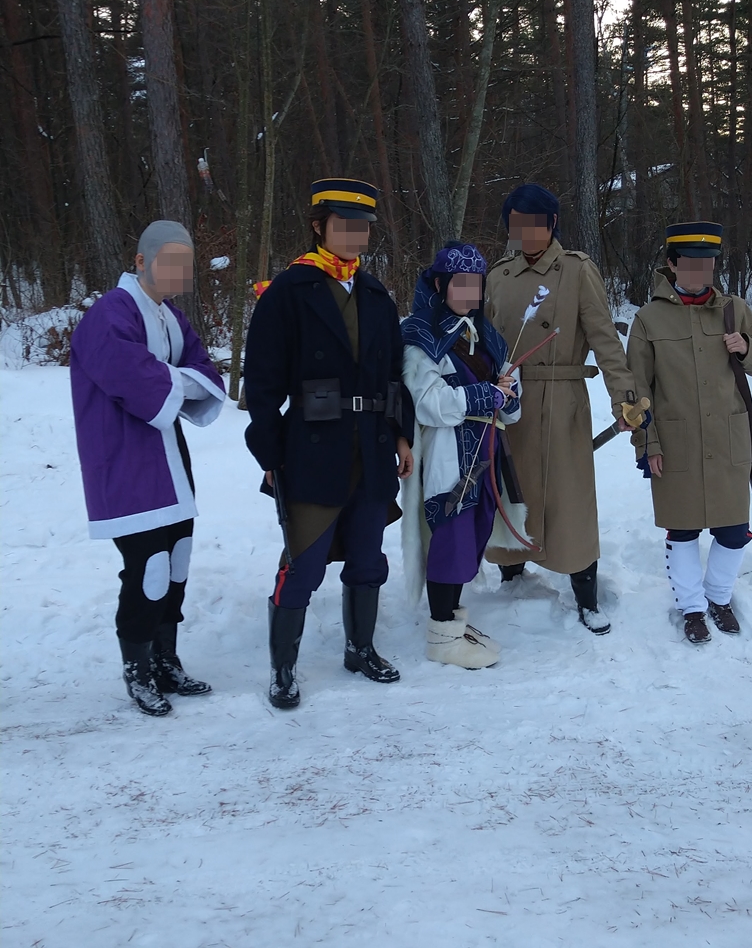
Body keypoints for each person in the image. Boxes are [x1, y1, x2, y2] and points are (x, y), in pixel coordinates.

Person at [244, 178, 415, 709]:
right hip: (313, 448)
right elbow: (263, 385)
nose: (353, 235)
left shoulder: (375, 294)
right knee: (304, 561)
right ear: (319, 226)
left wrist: (403, 434)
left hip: (371, 443)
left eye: (361, 227)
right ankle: (283, 669)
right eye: (343, 224)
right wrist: (270, 455)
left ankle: (360, 649)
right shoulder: (288, 293)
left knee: (368, 557)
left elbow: (394, 373)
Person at [70, 221, 225, 716]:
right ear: (141, 261)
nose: (179, 273)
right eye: (170, 261)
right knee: (150, 568)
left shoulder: (168, 317)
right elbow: (135, 380)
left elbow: (207, 374)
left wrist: (173, 378)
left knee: (176, 558)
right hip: (124, 461)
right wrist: (178, 380)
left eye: (187, 264)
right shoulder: (108, 316)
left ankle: (166, 660)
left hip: (169, 461)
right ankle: (137, 669)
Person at [483, 183, 637, 634]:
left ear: (551, 225)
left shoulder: (575, 270)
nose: (525, 232)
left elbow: (605, 339)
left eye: (534, 223)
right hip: (508, 403)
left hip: (561, 400)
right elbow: (483, 342)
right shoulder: (499, 275)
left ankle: (586, 596)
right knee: (510, 491)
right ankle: (512, 576)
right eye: (516, 224)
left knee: (569, 501)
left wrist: (624, 397)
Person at [626, 221, 752, 643]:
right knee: (684, 527)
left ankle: (719, 597)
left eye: (707, 264)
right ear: (672, 264)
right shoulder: (648, 318)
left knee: (733, 529)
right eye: (690, 264)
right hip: (675, 442)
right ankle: (692, 608)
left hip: (729, 439)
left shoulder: (734, 309)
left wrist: (745, 347)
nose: (699, 272)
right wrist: (647, 442)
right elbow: (635, 389)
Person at [401, 243, 522, 668]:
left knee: (473, 535)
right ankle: (441, 635)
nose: (470, 291)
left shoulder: (487, 335)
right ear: (440, 284)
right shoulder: (419, 334)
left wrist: (507, 394)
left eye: (476, 283)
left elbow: (512, 403)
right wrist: (486, 394)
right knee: (449, 539)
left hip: (486, 454)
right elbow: (428, 402)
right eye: (461, 283)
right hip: (447, 456)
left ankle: (453, 621)